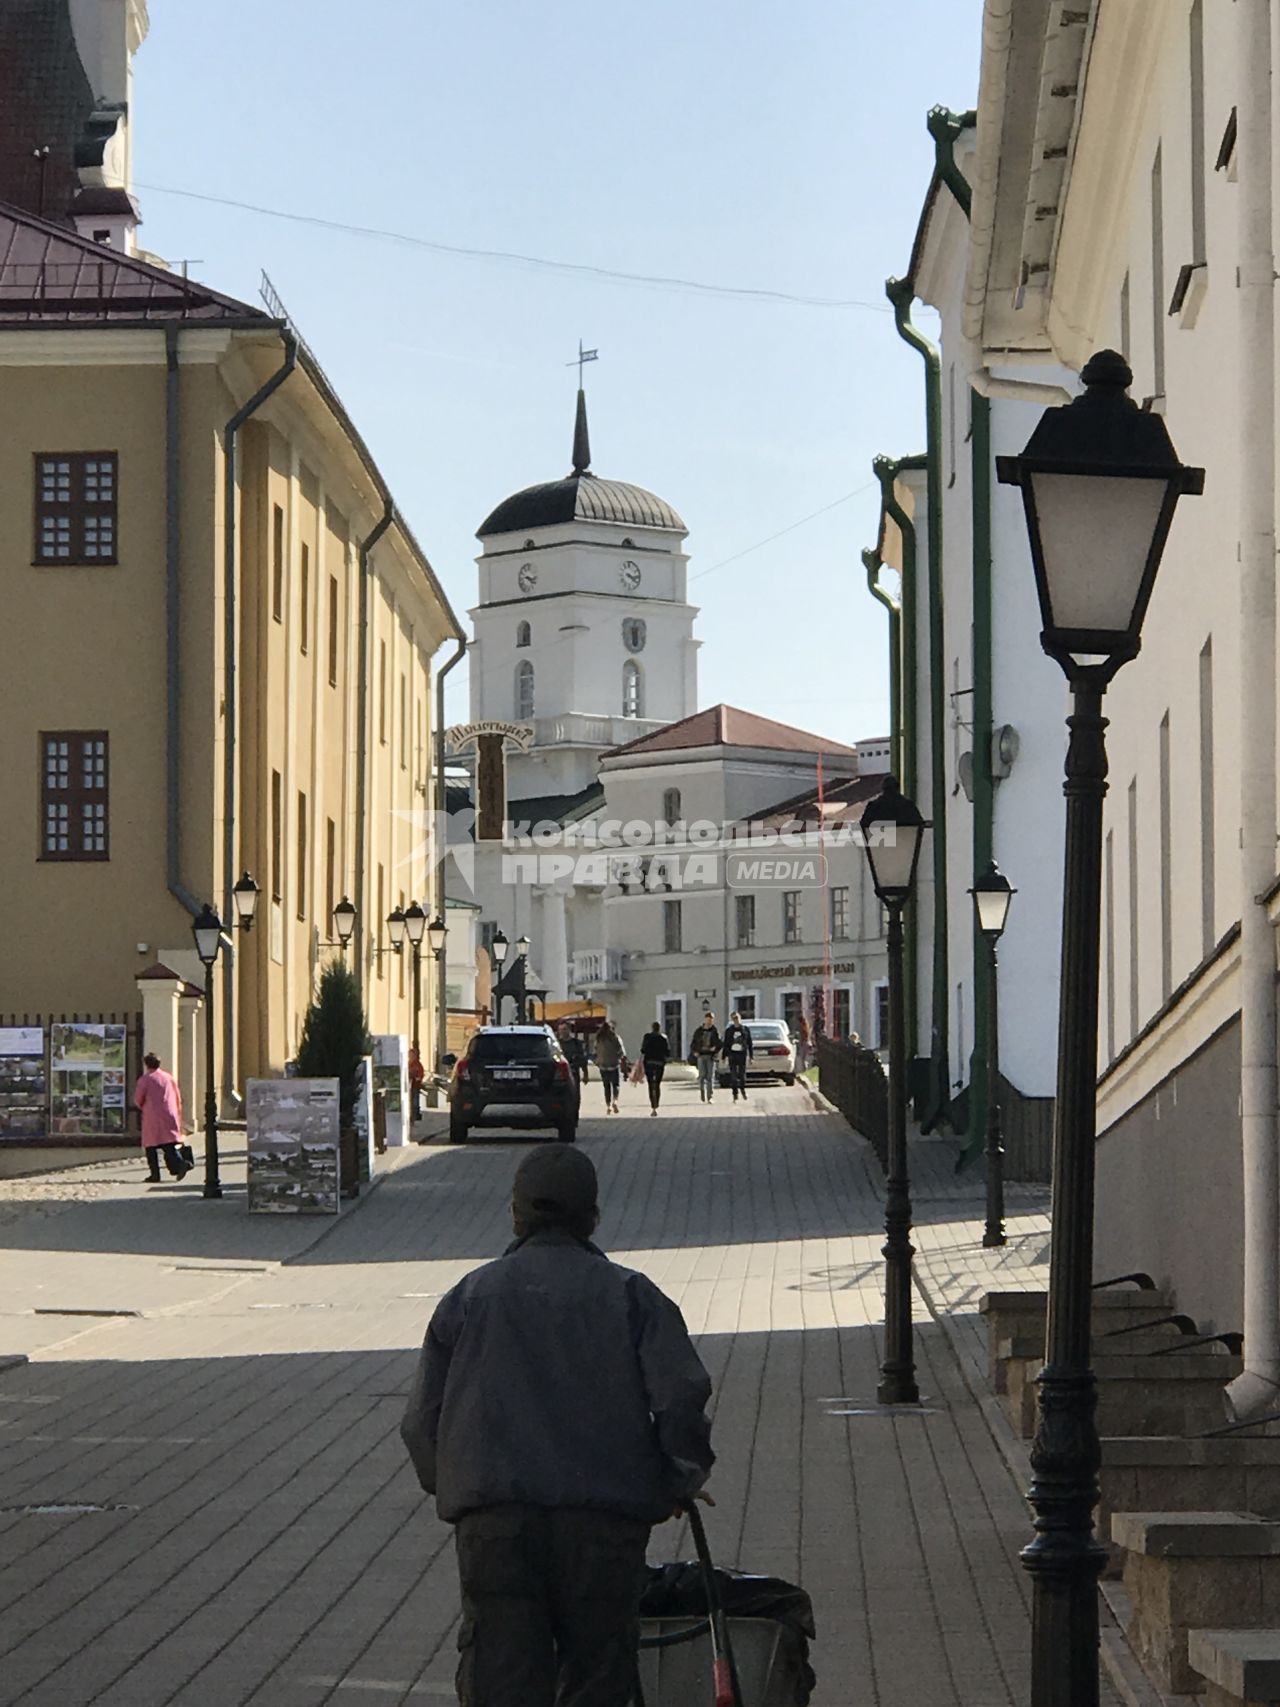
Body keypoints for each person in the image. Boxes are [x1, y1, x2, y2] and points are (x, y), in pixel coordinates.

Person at [401, 1145, 715, 1707]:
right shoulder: (630, 1294)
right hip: (603, 1525)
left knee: (501, 1677)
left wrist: (460, 1489)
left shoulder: (469, 1297)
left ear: (515, 1215)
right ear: (593, 1217)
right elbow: (680, 1397)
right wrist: (676, 1480)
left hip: (495, 1524)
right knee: (599, 1672)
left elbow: (422, 1422)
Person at [133, 1053, 190, 1182]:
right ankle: (180, 1164)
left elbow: (138, 1099)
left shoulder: (145, 1080)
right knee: (168, 1144)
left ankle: (155, 1174)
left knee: (151, 1147)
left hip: (152, 1116)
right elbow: (177, 1097)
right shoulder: (168, 1078)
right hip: (169, 1114)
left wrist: (142, 1106)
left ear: (147, 1064)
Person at [689, 1013, 721, 1103]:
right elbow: (693, 1043)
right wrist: (695, 1051)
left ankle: (710, 1096)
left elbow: (719, 1043)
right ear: (705, 1019)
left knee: (710, 1077)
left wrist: (715, 1048)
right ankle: (702, 1093)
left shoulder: (715, 1031)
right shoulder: (699, 1031)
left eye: (711, 1019)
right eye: (708, 1019)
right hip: (701, 1055)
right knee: (702, 1076)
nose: (710, 1021)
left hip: (710, 1056)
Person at [721, 1012, 754, 1102]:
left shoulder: (745, 1029)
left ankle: (743, 1090)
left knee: (742, 1075)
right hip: (732, 1055)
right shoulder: (729, 1031)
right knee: (733, 1076)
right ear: (732, 1019)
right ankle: (735, 1094)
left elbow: (749, 1043)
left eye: (737, 1018)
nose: (736, 1020)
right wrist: (724, 1057)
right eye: (734, 1018)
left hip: (742, 1055)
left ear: (740, 1018)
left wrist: (751, 1056)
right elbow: (726, 1044)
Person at [593, 1020, 624, 1114]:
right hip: (614, 1064)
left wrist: (598, 1060)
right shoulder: (615, 1037)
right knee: (616, 1085)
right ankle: (615, 1101)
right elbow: (621, 1051)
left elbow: (595, 1051)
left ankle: (608, 1106)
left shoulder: (598, 1038)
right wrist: (619, 1058)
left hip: (603, 1065)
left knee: (606, 1086)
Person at [640, 1021, 670, 1115]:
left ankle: (652, 1105)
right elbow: (667, 1052)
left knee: (650, 1084)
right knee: (657, 1084)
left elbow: (643, 1050)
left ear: (652, 1028)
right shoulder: (663, 1038)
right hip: (659, 1063)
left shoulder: (647, 1037)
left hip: (649, 1063)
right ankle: (656, 1104)